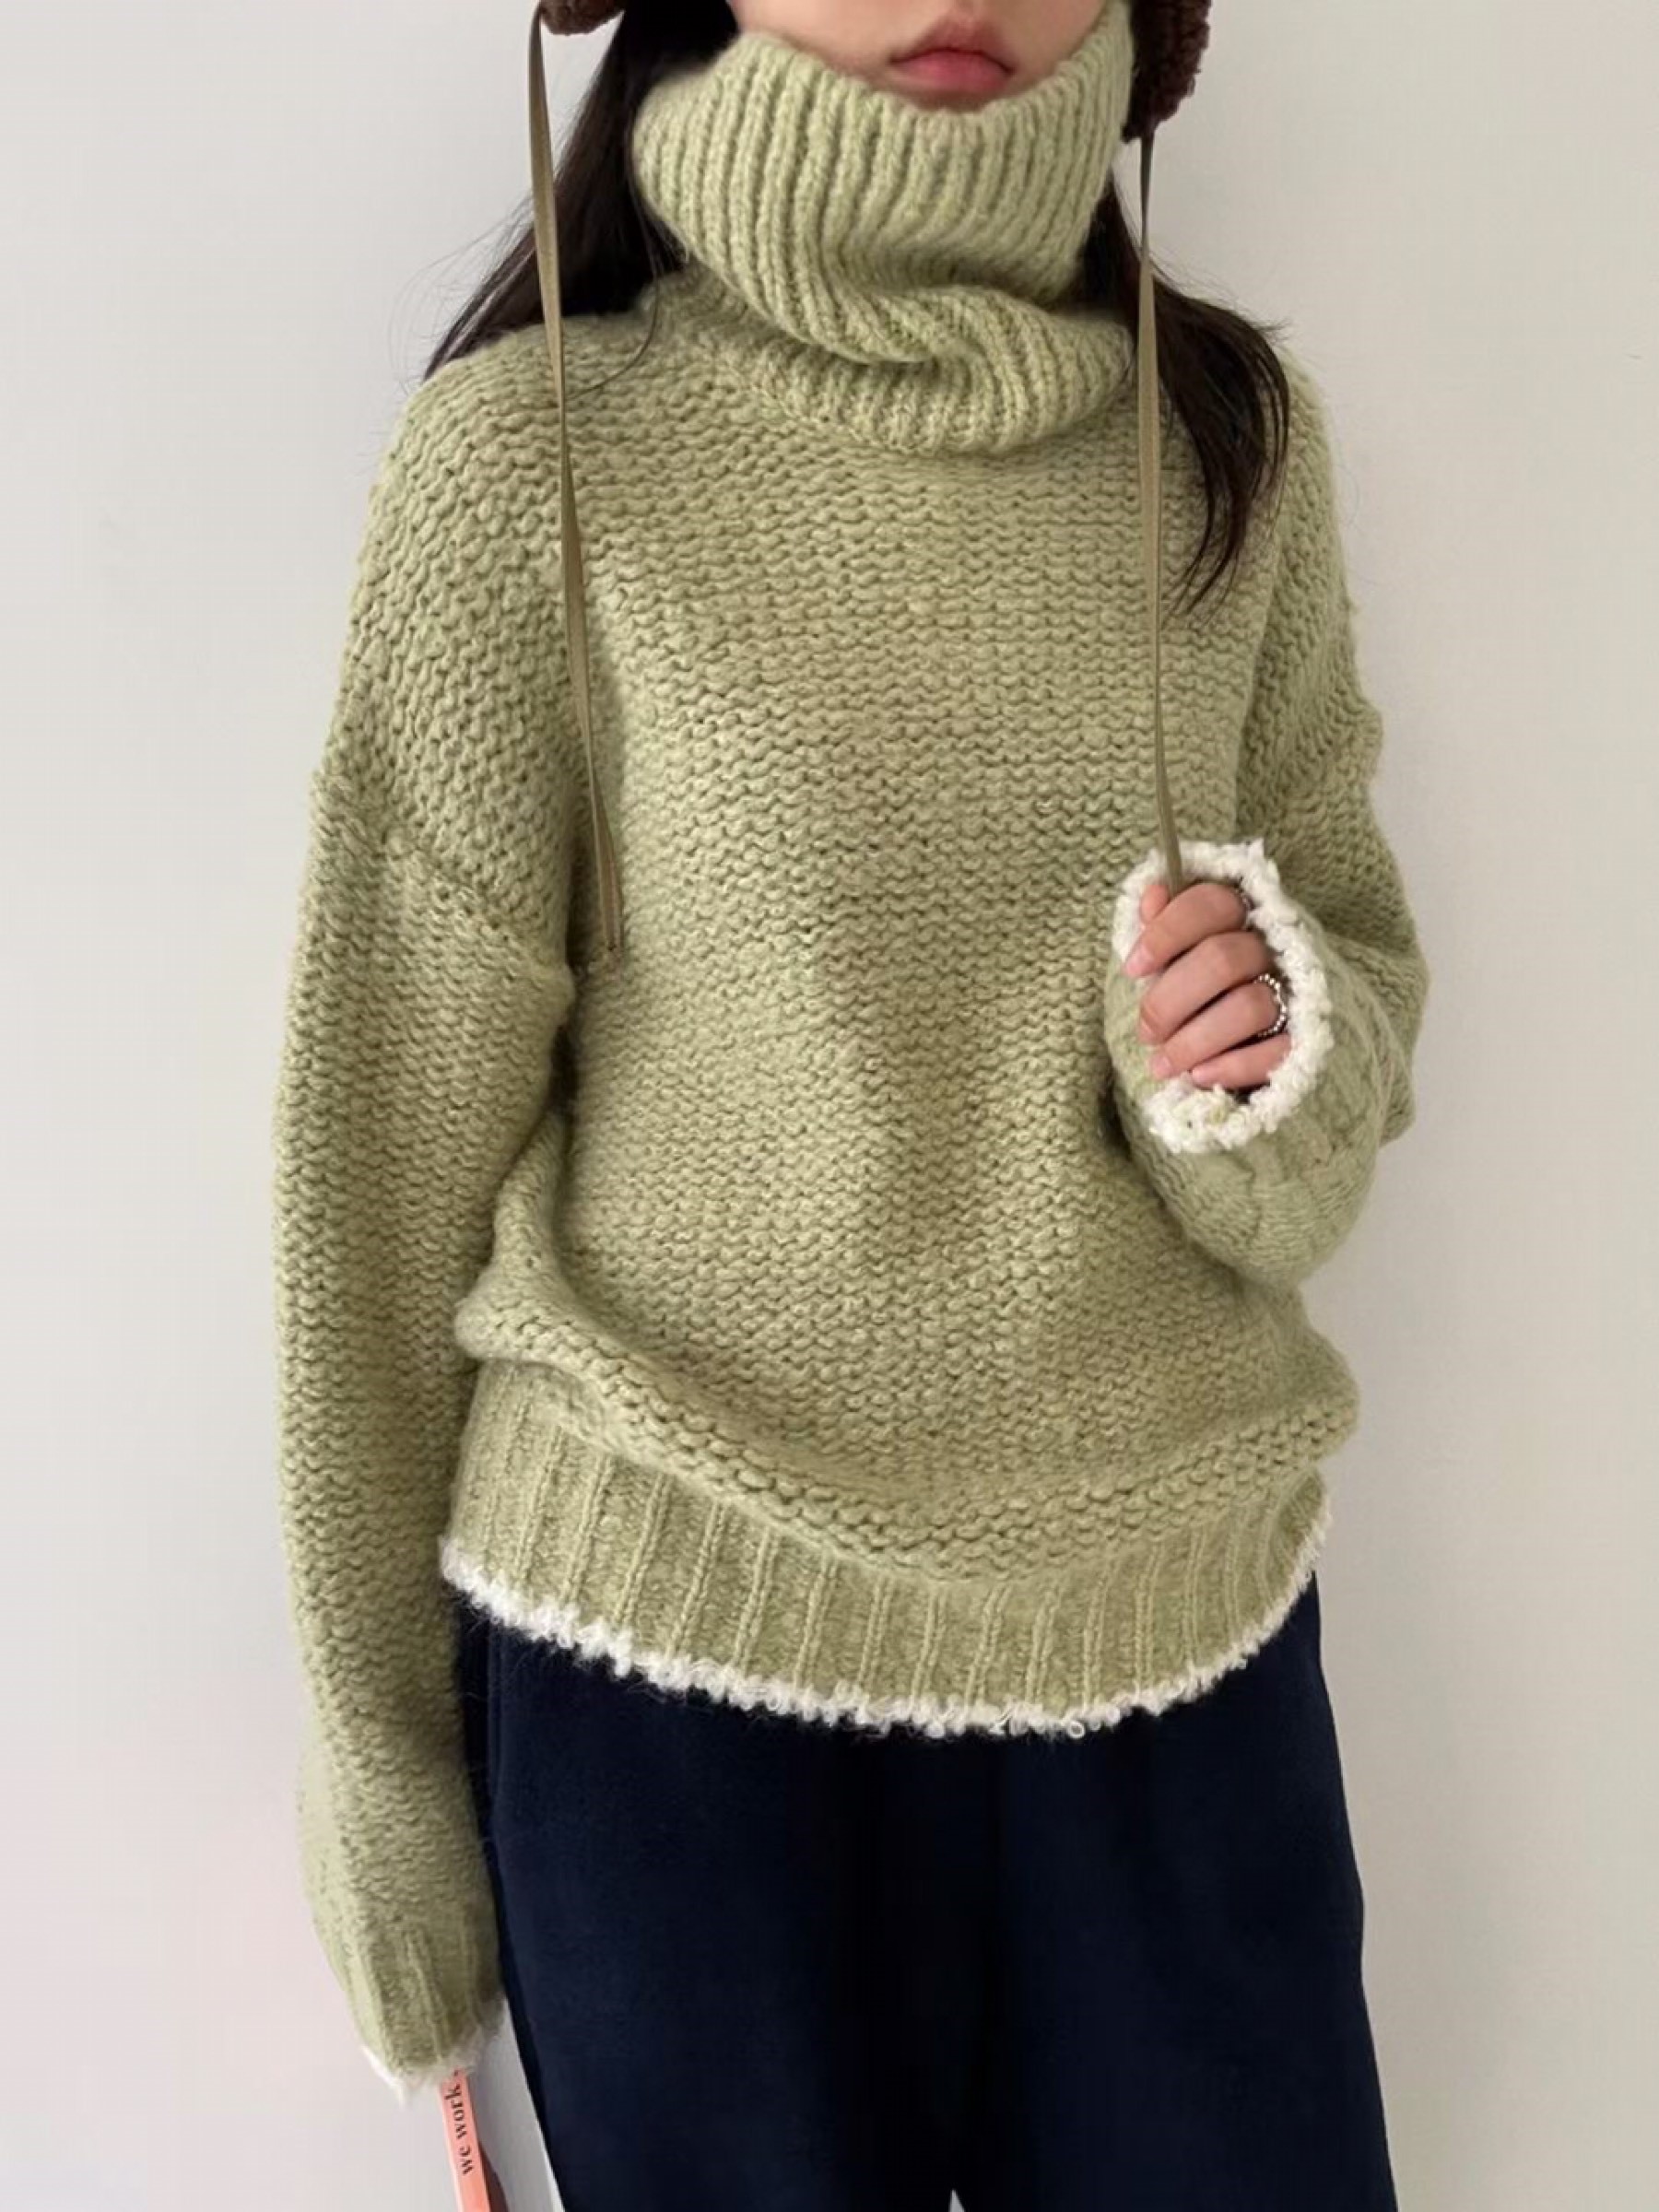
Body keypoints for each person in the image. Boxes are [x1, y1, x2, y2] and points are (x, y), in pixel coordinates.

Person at [270, 1, 1430, 2203]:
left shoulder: (1227, 447)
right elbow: (373, 1175)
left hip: (1180, 1659)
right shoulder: (529, 469)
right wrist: (384, 1786)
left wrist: (1258, 1053)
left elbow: (1323, 1090)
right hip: (665, 1692)